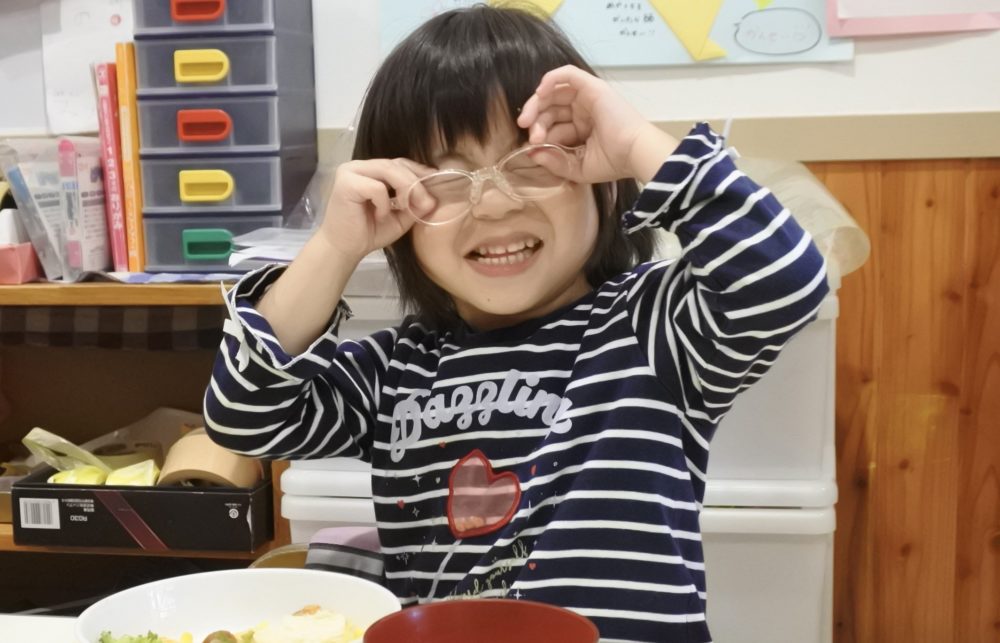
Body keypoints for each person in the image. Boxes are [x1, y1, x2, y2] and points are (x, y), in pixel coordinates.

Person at [204, 5, 829, 642]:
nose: (496, 203)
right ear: (399, 211)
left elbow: (784, 283)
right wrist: (335, 245)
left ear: (598, 180)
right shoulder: (396, 370)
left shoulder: (651, 326)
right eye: (448, 180)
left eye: (534, 164)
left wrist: (635, 142)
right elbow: (244, 419)